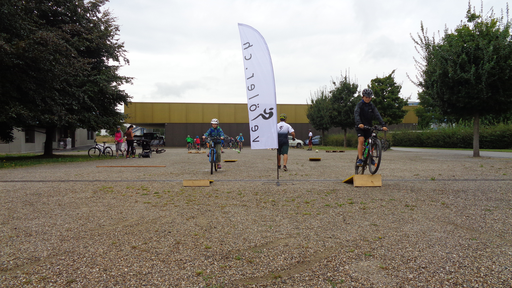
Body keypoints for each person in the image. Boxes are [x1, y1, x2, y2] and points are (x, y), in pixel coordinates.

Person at [354, 88, 388, 166]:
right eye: (366, 97)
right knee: (361, 140)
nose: (368, 99)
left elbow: (377, 115)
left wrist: (383, 125)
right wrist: (359, 123)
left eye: (369, 97)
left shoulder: (372, 106)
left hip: (368, 126)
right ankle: (360, 159)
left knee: (371, 141)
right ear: (363, 97)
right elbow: (356, 114)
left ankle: (370, 158)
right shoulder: (359, 105)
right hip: (360, 126)